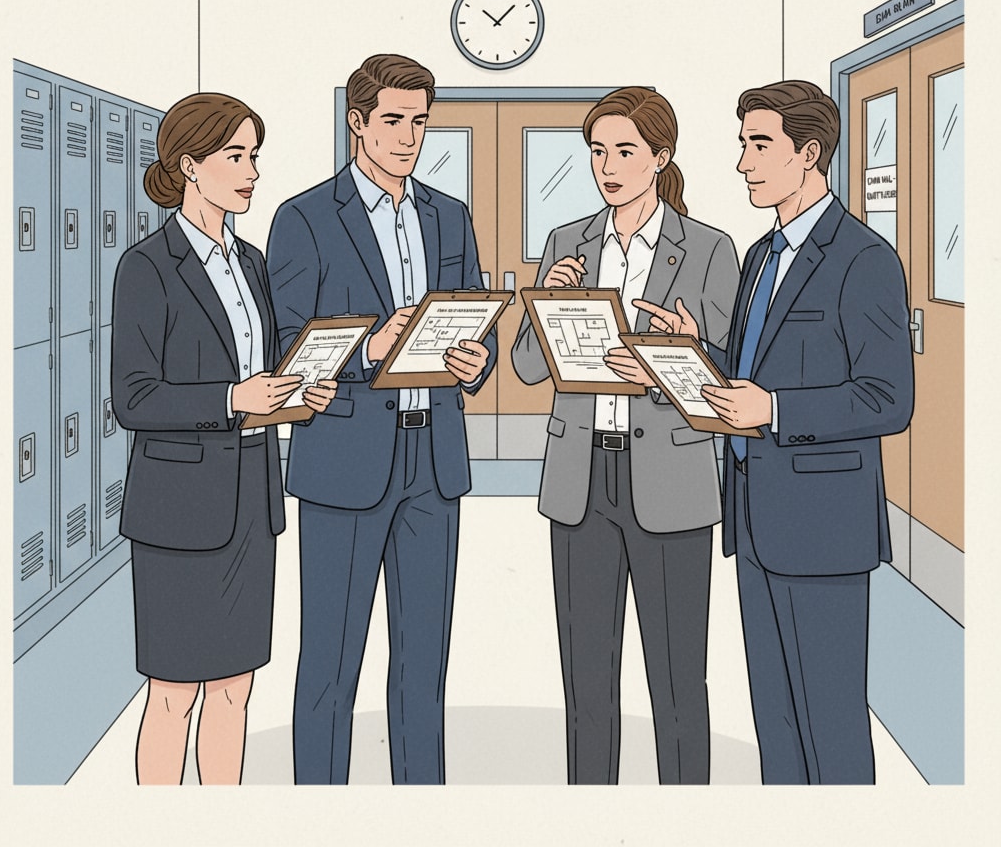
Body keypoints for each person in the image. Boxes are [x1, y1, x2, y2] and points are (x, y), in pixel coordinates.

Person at [640, 80, 915, 784]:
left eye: (759, 145)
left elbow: (888, 399)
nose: (743, 163)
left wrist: (778, 412)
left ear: (810, 153)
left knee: (831, 721)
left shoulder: (864, 259)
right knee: (778, 725)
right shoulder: (761, 257)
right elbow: (751, 373)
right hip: (756, 524)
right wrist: (698, 348)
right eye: (742, 144)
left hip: (823, 532)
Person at [266, 53, 496, 785]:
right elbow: (282, 347)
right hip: (345, 463)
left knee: (424, 664)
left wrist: (475, 363)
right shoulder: (304, 218)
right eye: (392, 120)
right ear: (356, 122)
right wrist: (370, 347)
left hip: (434, 464)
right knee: (330, 664)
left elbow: (476, 323)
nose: (407, 137)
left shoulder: (448, 215)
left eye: (420, 122)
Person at [511, 87, 740, 784]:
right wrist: (544, 297)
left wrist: (683, 350)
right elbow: (523, 366)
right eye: (597, 152)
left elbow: (731, 378)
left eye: (625, 151)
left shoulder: (707, 248)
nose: (607, 166)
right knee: (587, 686)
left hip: (670, 482)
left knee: (677, 685)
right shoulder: (567, 242)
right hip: (583, 481)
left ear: (661, 156)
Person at [111, 93, 337, 785]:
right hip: (179, 515)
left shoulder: (254, 262)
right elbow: (134, 398)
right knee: (174, 694)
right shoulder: (148, 266)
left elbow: (259, 380)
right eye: (235, 157)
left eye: (254, 156)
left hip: (249, 508)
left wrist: (297, 399)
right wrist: (234, 399)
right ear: (189, 166)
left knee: (236, 688)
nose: (251, 172)